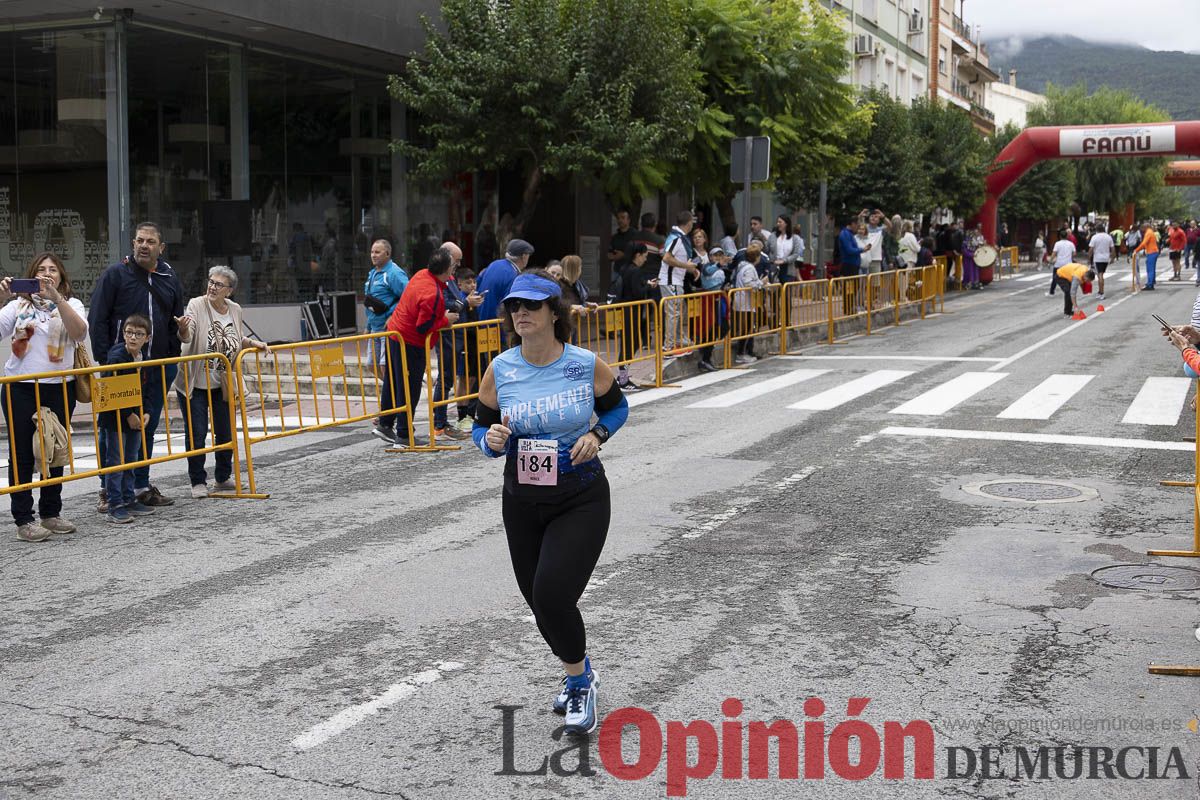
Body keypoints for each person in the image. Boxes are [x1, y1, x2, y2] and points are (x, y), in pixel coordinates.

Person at [471, 270, 629, 736]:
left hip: (580, 497)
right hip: (522, 500)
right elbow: (479, 427)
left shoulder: (584, 363)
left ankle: (580, 683)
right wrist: (489, 439)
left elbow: (617, 408)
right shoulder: (501, 368)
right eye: (513, 307)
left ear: (552, 313)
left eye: (530, 306)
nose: (519, 313)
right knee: (538, 601)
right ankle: (578, 668)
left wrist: (598, 435)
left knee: (552, 593)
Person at [89, 221, 184, 511]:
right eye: (140, 240)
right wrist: (108, 361)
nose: (144, 245)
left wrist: (171, 357)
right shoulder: (116, 275)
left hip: (157, 367)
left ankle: (140, 486)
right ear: (133, 243)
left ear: (161, 247)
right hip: (122, 369)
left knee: (146, 425)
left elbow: (175, 321)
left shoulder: (169, 277)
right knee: (113, 430)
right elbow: (98, 318)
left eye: (151, 241)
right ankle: (109, 490)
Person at [0, 253, 89, 541]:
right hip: (20, 387)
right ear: (31, 275)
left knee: (56, 450)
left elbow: (79, 332)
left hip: (58, 386)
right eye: (41, 270)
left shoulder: (71, 303)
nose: (47, 273)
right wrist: (1, 300)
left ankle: (51, 513)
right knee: (22, 454)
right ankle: (24, 519)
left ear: (62, 277)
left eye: (53, 270)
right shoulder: (17, 305)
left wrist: (56, 299)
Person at [174, 266, 269, 498]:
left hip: (222, 383)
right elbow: (190, 333)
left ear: (230, 291)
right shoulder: (197, 304)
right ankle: (198, 481)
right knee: (196, 434)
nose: (212, 287)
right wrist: (183, 330)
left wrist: (250, 344)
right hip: (194, 382)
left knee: (225, 432)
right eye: (211, 282)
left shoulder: (235, 309)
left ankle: (223, 478)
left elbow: (233, 335)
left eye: (219, 284)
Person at [375, 245, 460, 447]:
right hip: (410, 341)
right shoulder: (433, 294)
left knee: (393, 382)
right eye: (454, 266)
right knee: (409, 387)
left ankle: (385, 423)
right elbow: (424, 327)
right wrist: (446, 320)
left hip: (395, 333)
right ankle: (404, 435)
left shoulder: (422, 275)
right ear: (448, 270)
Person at [98, 315, 157, 524]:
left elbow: (147, 389)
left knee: (131, 458)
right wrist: (129, 415)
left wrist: (146, 412)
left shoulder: (144, 358)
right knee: (116, 460)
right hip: (115, 418)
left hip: (136, 415)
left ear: (147, 338)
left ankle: (129, 497)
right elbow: (114, 389)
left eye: (138, 334)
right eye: (129, 332)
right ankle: (115, 503)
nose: (133, 337)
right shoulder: (117, 356)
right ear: (123, 334)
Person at [613, 244, 658, 390]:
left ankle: (623, 377)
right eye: (644, 256)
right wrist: (649, 287)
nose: (645, 260)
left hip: (626, 310)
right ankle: (623, 379)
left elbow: (632, 286)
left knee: (629, 343)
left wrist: (645, 283)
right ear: (638, 255)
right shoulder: (636, 271)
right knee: (631, 344)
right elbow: (638, 292)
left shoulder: (625, 268)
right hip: (633, 311)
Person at [363, 239, 409, 376]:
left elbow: (408, 296)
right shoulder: (372, 274)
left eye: (377, 252)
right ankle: (392, 392)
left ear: (387, 253)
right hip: (375, 329)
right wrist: (368, 326)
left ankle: (393, 394)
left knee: (385, 366)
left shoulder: (394, 273)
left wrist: (393, 316)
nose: (373, 255)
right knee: (371, 366)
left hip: (389, 329)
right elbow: (370, 302)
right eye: (372, 252)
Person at [659, 211, 698, 352]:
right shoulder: (677, 238)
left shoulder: (678, 237)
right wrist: (687, 266)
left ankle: (677, 339)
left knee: (678, 311)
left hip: (675, 280)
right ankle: (668, 345)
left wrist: (691, 269)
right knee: (673, 312)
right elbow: (667, 258)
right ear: (689, 223)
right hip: (671, 281)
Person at [476, 239, 535, 319]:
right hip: (497, 324)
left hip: (480, 319)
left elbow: (478, 283)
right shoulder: (514, 276)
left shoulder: (494, 264)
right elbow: (510, 304)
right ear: (524, 256)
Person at [767, 215, 802, 283]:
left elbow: (796, 254)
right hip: (774, 266)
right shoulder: (773, 236)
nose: (778, 224)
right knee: (774, 291)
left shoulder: (795, 238)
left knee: (786, 291)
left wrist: (784, 261)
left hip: (788, 268)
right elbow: (767, 249)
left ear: (786, 224)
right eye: (777, 222)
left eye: (780, 222)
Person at [1087, 223, 1114, 300]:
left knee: (1100, 275)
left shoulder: (1095, 237)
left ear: (1097, 230)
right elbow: (1112, 248)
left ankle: (1101, 293)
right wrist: (1112, 258)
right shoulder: (1108, 237)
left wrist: (1089, 258)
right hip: (1106, 258)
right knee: (1101, 274)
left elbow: (1091, 249)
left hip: (1098, 258)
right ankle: (1100, 291)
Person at [1047, 229, 1076, 297]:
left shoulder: (1057, 243)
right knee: (1068, 278)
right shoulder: (1071, 244)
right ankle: (1069, 291)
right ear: (1067, 236)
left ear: (1060, 236)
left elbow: (1054, 253)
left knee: (1055, 278)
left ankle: (1051, 292)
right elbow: (1074, 253)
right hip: (1068, 264)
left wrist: (1050, 262)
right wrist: (1070, 256)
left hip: (1059, 264)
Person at [1132, 222, 1159, 290]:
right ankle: (1151, 282)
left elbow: (1144, 243)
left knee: (1150, 269)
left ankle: (1150, 284)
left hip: (1151, 252)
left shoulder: (1148, 233)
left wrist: (1136, 250)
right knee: (1152, 268)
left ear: (1145, 227)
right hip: (1153, 251)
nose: (1141, 229)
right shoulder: (1150, 232)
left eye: (1142, 228)